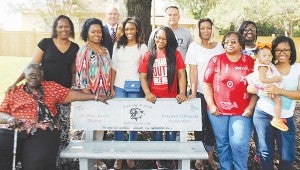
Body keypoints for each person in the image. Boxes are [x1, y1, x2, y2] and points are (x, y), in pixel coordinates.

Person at [0, 63, 110, 170]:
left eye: (37, 74)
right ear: (24, 76)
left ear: (42, 77)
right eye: (30, 74)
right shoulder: (14, 92)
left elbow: (72, 95)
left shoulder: (51, 87)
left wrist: (95, 97)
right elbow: (1, 112)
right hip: (16, 127)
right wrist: (9, 119)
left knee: (35, 161)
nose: (33, 77)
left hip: (42, 129)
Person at [6, 15, 79, 169]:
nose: (64, 29)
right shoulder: (45, 43)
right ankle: (39, 159)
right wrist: (15, 82)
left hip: (64, 94)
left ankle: (60, 162)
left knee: (63, 130)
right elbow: (31, 65)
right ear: (55, 28)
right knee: (44, 129)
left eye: (67, 26)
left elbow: (73, 71)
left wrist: (72, 87)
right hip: (44, 93)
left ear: (71, 28)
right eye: (60, 26)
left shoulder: (75, 47)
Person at [203, 31, 257, 170]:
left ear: (241, 44)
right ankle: (225, 167)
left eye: (233, 41)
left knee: (239, 143)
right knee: (222, 143)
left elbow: (257, 88)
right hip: (218, 111)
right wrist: (211, 104)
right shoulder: (215, 60)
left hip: (242, 111)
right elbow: (207, 84)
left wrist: (250, 108)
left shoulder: (250, 62)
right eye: (226, 42)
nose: (229, 44)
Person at [139, 26, 187, 169]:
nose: (160, 40)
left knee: (171, 130)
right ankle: (159, 159)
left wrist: (182, 92)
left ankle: (171, 158)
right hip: (155, 100)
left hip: (172, 99)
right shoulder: (148, 55)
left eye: (164, 38)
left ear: (169, 40)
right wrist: (147, 93)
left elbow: (181, 74)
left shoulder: (175, 55)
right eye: (158, 37)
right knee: (157, 130)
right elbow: (142, 76)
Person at [251, 36, 300, 169]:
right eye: (277, 50)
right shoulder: (267, 66)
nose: (281, 53)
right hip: (263, 114)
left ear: (291, 51)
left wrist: (279, 91)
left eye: (285, 49)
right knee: (265, 152)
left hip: (285, 117)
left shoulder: (298, 69)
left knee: (287, 156)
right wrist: (265, 89)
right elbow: (250, 87)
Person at [185, 18, 223, 170]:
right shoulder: (194, 47)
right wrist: (193, 92)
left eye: (208, 28)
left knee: (213, 125)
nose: (206, 31)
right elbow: (192, 70)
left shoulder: (219, 47)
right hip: (200, 92)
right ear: (198, 30)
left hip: (217, 94)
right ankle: (199, 158)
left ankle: (210, 155)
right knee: (199, 125)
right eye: (203, 28)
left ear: (212, 29)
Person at [111, 17, 148, 169]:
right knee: (119, 121)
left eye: (132, 29)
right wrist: (111, 87)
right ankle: (119, 157)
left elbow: (144, 70)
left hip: (135, 87)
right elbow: (113, 67)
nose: (129, 32)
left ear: (137, 30)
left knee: (133, 121)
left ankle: (130, 155)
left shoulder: (143, 47)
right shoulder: (117, 45)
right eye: (127, 29)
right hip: (119, 86)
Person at [74, 18, 111, 170]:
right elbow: (82, 77)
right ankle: (86, 159)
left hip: (104, 96)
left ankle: (97, 159)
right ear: (87, 33)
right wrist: (90, 97)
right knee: (90, 127)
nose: (97, 34)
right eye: (93, 31)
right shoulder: (84, 51)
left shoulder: (105, 50)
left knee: (101, 127)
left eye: (99, 32)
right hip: (91, 95)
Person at [247, 42, 288, 131]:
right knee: (278, 100)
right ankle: (276, 119)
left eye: (269, 55)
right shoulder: (263, 67)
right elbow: (263, 80)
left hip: (266, 86)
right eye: (264, 56)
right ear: (257, 56)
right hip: (264, 87)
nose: (267, 58)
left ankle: (278, 116)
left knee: (277, 99)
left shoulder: (265, 65)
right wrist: (275, 80)